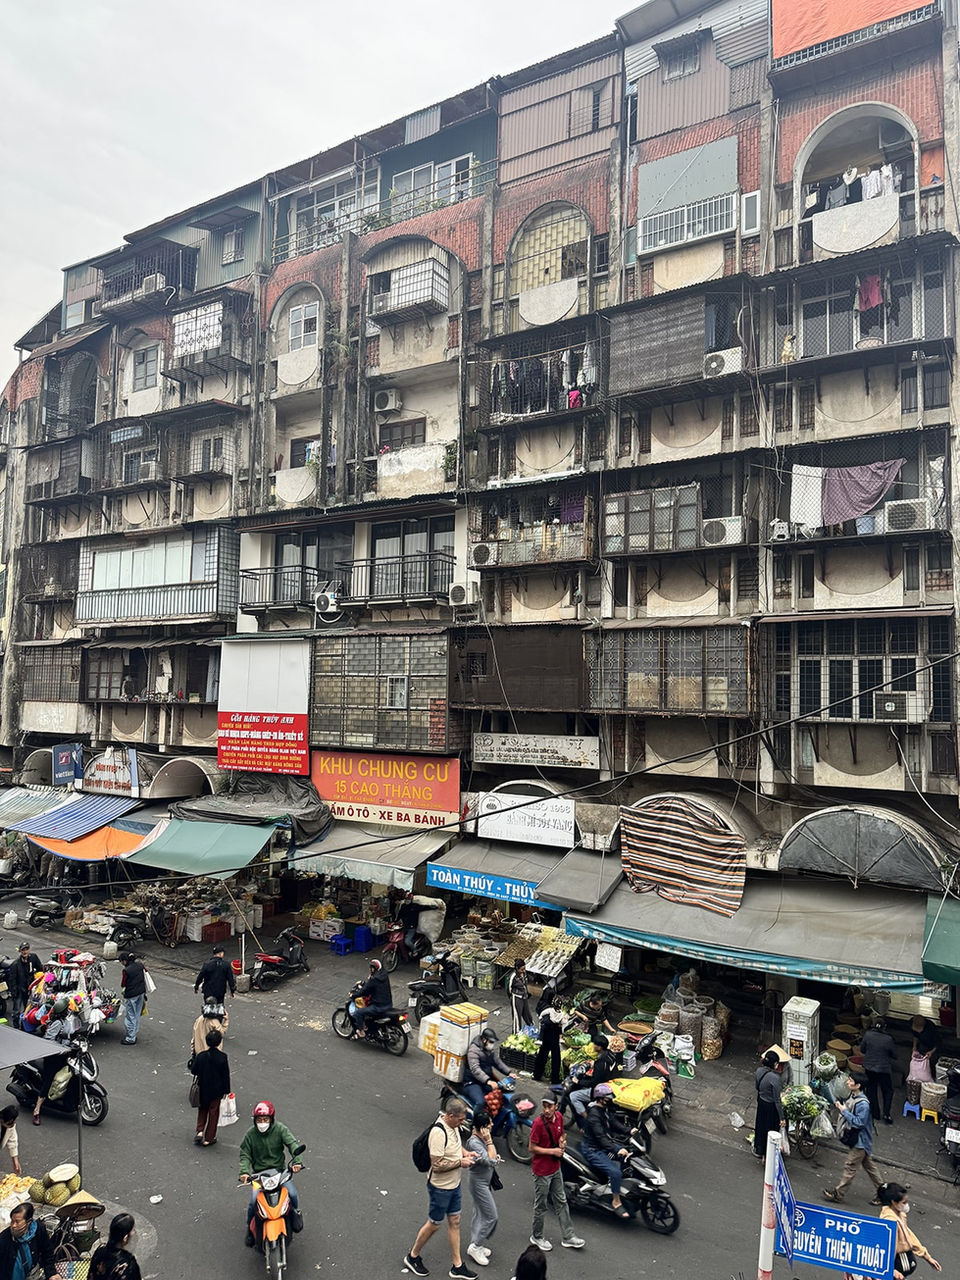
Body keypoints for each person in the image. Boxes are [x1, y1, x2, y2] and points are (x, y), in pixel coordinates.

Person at [403, 1096, 478, 1280]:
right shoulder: (438, 1133)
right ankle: (412, 1256)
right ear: (450, 1115)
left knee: (455, 1221)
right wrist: (461, 1162)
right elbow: (437, 1165)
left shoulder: (453, 1127)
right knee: (434, 1224)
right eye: (460, 1119)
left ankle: (457, 1266)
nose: (462, 1123)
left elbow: (454, 1146)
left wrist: (465, 1152)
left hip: (454, 1185)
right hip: (440, 1188)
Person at [239, 1100, 304, 1243]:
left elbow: (292, 1144)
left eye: (265, 1119)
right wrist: (244, 1172)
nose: (262, 1123)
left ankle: (294, 1217)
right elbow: (245, 1154)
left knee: (292, 1194)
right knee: (252, 1203)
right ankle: (250, 1231)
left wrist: (297, 1161)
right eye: (259, 1120)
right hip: (258, 1176)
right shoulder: (250, 1135)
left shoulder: (280, 1129)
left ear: (271, 1119)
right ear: (255, 1121)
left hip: (280, 1173)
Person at [528, 1094, 585, 1252]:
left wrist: (561, 1142)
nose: (546, 1110)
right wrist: (552, 1150)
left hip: (555, 1168)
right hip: (542, 1171)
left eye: (549, 1106)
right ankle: (537, 1236)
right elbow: (531, 1148)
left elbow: (561, 1135)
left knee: (561, 1201)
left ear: (556, 1107)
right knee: (541, 1206)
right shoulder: (538, 1124)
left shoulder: (559, 1117)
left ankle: (568, 1236)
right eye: (544, 1106)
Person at [823, 1074, 884, 1203]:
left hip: (860, 1142)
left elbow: (859, 1123)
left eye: (851, 1081)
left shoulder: (863, 1104)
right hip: (862, 1142)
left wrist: (844, 1111)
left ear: (858, 1086)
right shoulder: (854, 1096)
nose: (848, 1082)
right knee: (870, 1168)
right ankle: (883, 1193)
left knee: (850, 1167)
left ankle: (838, 1194)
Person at [579, 1082, 633, 1218]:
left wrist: (629, 1130)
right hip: (593, 1150)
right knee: (615, 1173)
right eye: (607, 1098)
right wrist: (616, 1149)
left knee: (628, 1156)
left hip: (603, 1146)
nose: (609, 1100)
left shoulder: (604, 1111)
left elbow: (614, 1123)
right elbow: (601, 1138)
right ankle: (616, 1201)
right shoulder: (594, 1116)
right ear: (600, 1098)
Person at [877, 1182, 942, 1274]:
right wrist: (890, 1270)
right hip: (899, 1263)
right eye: (904, 1202)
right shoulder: (890, 1221)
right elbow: (890, 1247)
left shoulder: (899, 1215)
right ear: (893, 1202)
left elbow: (909, 1235)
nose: (906, 1205)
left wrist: (927, 1256)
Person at [464, 1107, 500, 1268]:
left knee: (480, 1214)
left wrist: (492, 1153)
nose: (492, 1125)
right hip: (478, 1183)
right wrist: (490, 1141)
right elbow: (490, 1161)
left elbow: (492, 1157)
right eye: (489, 1123)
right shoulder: (474, 1142)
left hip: (484, 1181)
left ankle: (477, 1243)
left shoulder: (481, 1141)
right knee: (491, 1215)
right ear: (482, 1127)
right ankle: (476, 1246)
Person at [31, 996, 72, 1126]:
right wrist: (60, 1048)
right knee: (48, 1082)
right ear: (64, 1011)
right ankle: (37, 1111)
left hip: (65, 1054)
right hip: (54, 1058)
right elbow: (49, 1040)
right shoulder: (57, 1023)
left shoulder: (66, 1021)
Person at [191, 1027, 231, 1147]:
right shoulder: (222, 1057)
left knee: (202, 1109)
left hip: (202, 1088)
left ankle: (200, 1130)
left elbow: (194, 1070)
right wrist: (226, 1090)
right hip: (216, 1090)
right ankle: (209, 1137)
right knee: (213, 1113)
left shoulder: (201, 1056)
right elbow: (225, 1075)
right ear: (219, 1042)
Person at [0, 1201, 56, 1280]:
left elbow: (47, 1252)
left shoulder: (39, 1230)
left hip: (32, 1275)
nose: (13, 1225)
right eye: (12, 1221)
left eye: (17, 1222)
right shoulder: (4, 1238)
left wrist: (51, 1273)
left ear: (28, 1222)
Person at [461, 1028, 512, 1113]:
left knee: (502, 1094)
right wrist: (488, 1080)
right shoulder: (473, 1051)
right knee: (481, 1102)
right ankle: (477, 1123)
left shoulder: (489, 1050)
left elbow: (497, 1062)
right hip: (472, 1081)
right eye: (491, 1042)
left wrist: (509, 1072)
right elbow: (475, 1069)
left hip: (484, 1080)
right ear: (484, 1040)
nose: (492, 1045)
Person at [568, 1036, 618, 1120]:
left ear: (599, 1047)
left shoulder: (601, 1063)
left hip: (599, 1091)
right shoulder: (610, 1055)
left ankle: (588, 1119)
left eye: (595, 1044)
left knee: (573, 1096)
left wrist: (578, 1082)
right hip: (610, 1084)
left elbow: (594, 1082)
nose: (593, 1045)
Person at [860, 1018, 898, 1125]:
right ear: (885, 1027)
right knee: (888, 1091)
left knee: (871, 1089)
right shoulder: (888, 1039)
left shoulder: (868, 1035)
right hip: (884, 1069)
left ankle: (875, 1113)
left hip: (869, 1068)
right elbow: (895, 1055)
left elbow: (862, 1049)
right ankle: (886, 1113)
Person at [753, 1050, 786, 1159]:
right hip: (770, 1107)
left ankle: (760, 1150)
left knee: (761, 1127)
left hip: (761, 1103)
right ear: (774, 1063)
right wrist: (782, 1118)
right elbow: (777, 1100)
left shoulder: (759, 1071)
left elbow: (757, 1087)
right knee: (770, 1130)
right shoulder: (775, 1078)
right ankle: (767, 1155)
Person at [90, 1212, 142, 1280]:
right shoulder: (128, 1262)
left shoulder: (99, 1251)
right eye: (132, 1230)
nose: (134, 1232)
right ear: (125, 1238)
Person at [350, 957, 393, 1038]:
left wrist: (354, 995)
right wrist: (364, 983)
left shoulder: (374, 979)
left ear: (373, 969)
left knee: (358, 1013)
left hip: (379, 1006)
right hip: (388, 1003)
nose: (370, 970)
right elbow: (373, 987)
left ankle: (361, 1031)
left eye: (371, 968)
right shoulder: (384, 975)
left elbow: (365, 991)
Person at [533, 996, 571, 1086]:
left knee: (542, 1055)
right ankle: (555, 1079)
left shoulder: (548, 1011)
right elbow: (564, 1026)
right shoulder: (562, 1015)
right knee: (556, 1057)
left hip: (546, 1035)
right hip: (554, 1037)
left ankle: (537, 1075)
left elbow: (540, 1017)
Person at [194, 944, 236, 1016]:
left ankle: (208, 1023)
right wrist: (232, 990)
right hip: (220, 991)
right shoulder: (226, 965)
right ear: (220, 953)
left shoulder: (207, 964)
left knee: (208, 1009)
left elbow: (200, 977)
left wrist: (196, 987)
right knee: (219, 1009)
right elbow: (230, 979)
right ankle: (218, 1023)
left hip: (208, 991)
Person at [7, 943, 42, 1022]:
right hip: (19, 990)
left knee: (28, 1009)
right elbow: (12, 980)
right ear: (20, 951)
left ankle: (24, 1026)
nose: (25, 951)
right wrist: (13, 992)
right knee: (16, 1010)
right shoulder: (15, 964)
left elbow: (40, 969)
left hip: (29, 988)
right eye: (23, 950)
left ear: (29, 950)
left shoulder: (33, 958)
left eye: (27, 949)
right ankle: (16, 1026)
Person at [120, 953, 148, 1046]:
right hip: (141, 993)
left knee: (130, 1015)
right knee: (136, 1014)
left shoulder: (126, 970)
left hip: (131, 994)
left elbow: (123, 983)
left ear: (124, 961)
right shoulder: (140, 965)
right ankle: (134, 1034)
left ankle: (130, 1038)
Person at [509, 959, 533, 1034]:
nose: (523, 970)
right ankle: (516, 1033)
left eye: (524, 968)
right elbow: (509, 988)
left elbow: (525, 984)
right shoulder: (513, 976)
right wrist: (513, 996)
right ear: (517, 968)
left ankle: (532, 1029)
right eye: (522, 969)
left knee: (527, 1014)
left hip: (524, 997)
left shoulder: (524, 973)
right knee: (517, 1017)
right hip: (516, 998)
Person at [0, 1104, 22, 1175]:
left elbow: (12, 1141)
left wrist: (15, 1162)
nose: (12, 1125)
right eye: (10, 1123)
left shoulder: (11, 1125)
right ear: (2, 1120)